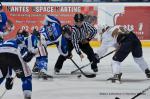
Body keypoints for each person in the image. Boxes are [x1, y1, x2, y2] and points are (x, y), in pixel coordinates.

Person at [0, 33, 35, 99]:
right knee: (26, 76)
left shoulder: (8, 41)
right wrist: (31, 53)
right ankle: (27, 96)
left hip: (1, 53)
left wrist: (8, 78)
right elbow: (27, 55)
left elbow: (8, 64)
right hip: (13, 52)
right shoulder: (25, 38)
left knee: (1, 75)